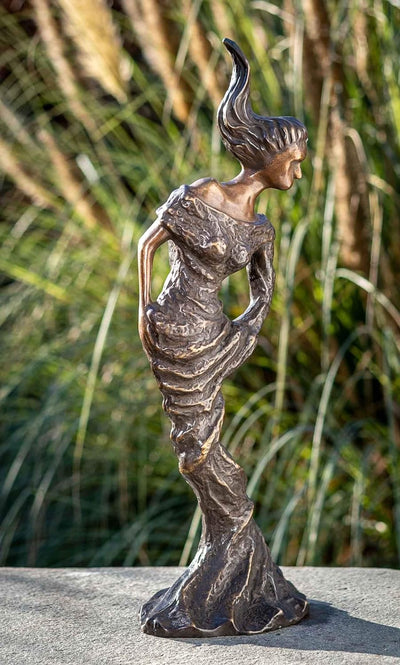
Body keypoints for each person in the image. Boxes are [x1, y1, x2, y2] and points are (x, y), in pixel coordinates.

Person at [138, 38, 309, 638]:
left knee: (209, 447)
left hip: (213, 337)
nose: (298, 168)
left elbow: (263, 293)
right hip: (173, 330)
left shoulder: (259, 231)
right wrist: (142, 310)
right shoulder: (204, 194)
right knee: (193, 448)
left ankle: (233, 556)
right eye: (293, 159)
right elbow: (147, 244)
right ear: (262, 155)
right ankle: (230, 555)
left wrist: (243, 332)